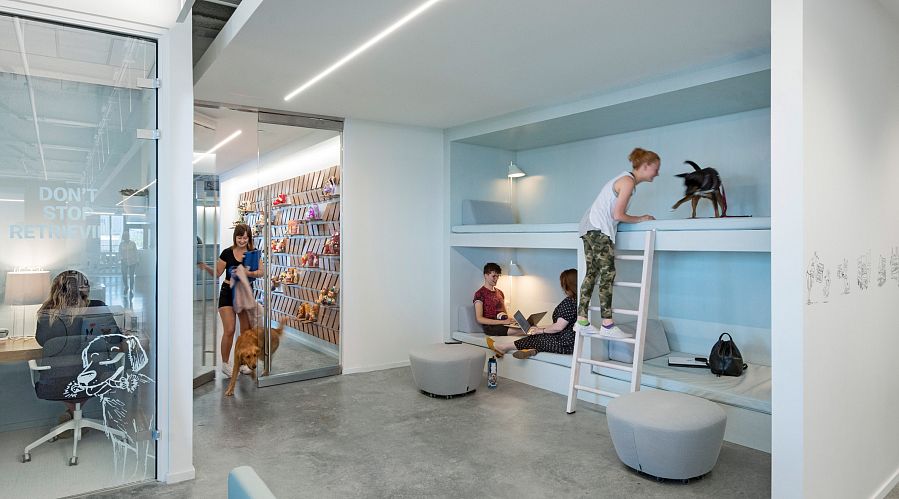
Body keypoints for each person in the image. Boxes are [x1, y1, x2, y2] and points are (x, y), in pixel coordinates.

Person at [575, 147, 659, 338]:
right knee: (608, 273)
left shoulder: (624, 179)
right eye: (655, 168)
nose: (657, 173)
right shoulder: (627, 182)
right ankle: (607, 324)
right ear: (645, 166)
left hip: (589, 226)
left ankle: (582, 321)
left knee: (592, 273)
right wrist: (642, 218)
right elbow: (618, 215)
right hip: (598, 229)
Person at [35, 270, 117, 438]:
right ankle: (74, 416)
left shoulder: (46, 312)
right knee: (83, 372)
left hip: (54, 382)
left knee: (68, 377)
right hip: (96, 377)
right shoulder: (96, 307)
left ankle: (72, 414)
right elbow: (115, 339)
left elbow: (42, 342)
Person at [197, 223, 265, 378]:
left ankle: (244, 362)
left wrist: (248, 273)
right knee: (229, 329)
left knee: (246, 332)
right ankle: (225, 364)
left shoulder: (253, 253)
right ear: (235, 237)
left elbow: (261, 272)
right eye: (239, 237)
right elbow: (217, 273)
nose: (242, 241)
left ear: (249, 238)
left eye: (245, 238)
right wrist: (205, 267)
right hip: (227, 293)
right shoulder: (227, 253)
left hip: (245, 294)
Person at [487, 269, 579, 359]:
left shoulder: (570, 302)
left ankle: (502, 347)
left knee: (538, 337)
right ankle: (531, 350)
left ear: (567, 285)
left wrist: (541, 330)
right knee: (536, 333)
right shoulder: (578, 301)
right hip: (571, 341)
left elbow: (559, 327)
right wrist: (540, 328)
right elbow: (562, 325)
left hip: (564, 343)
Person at [473, 262, 521, 337]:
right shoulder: (479, 294)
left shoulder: (500, 292)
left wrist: (512, 320)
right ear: (486, 275)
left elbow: (504, 313)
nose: (496, 279)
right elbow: (479, 319)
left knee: (530, 327)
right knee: (526, 331)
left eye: (498, 276)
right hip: (491, 327)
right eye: (494, 276)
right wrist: (503, 322)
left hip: (503, 324)